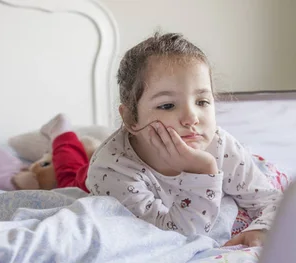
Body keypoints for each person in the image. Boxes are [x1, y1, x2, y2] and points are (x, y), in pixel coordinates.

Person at [86, 32, 282, 247]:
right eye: (167, 105)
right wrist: (201, 172)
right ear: (132, 118)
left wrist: (261, 228)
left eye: (202, 101)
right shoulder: (113, 170)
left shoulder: (220, 145)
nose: (191, 118)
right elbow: (176, 240)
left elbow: (271, 200)